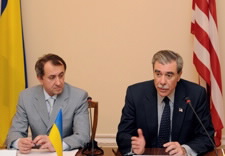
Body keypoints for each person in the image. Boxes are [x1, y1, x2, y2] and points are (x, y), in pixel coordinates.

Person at [116, 50, 215, 155]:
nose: (162, 82)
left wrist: (185, 150)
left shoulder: (195, 94)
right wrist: (133, 145)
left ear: (179, 75)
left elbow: (207, 137)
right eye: (158, 74)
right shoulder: (136, 94)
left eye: (169, 75)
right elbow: (123, 134)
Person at [6, 54, 90, 154]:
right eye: (52, 77)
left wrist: (58, 144)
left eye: (61, 75)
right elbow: (15, 132)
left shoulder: (78, 96)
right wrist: (18, 142)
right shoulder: (26, 97)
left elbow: (83, 136)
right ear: (40, 78)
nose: (59, 82)